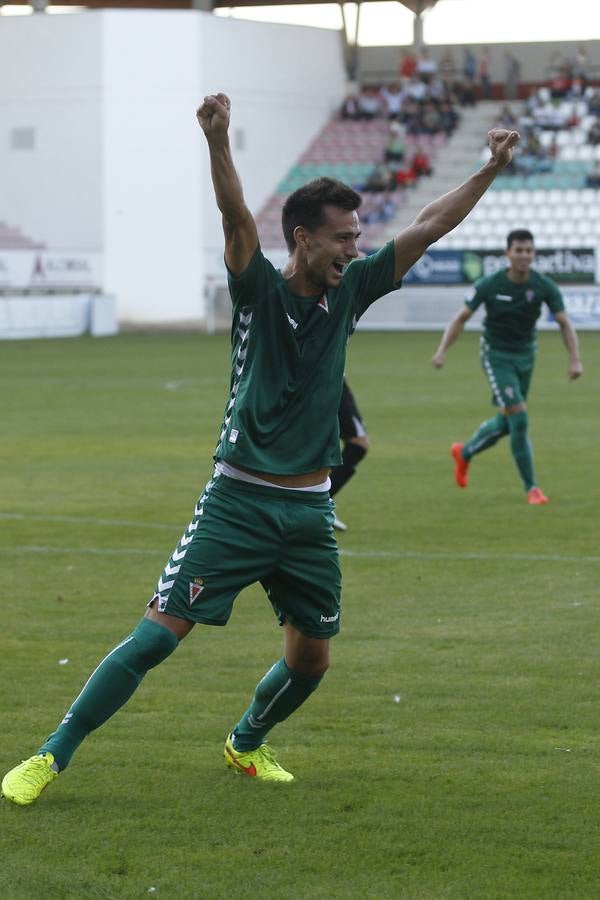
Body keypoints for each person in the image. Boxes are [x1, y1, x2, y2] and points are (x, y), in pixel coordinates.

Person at [1, 93, 519, 804]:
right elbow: (236, 218)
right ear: (303, 238)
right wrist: (217, 138)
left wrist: (490, 169)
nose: (354, 249)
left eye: (357, 236)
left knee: (311, 661)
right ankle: (50, 756)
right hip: (238, 500)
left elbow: (430, 223)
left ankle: (245, 742)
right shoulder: (256, 293)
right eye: (342, 237)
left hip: (307, 512)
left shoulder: (354, 291)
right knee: (155, 637)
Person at [432, 229, 582, 504]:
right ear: (508, 253)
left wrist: (575, 359)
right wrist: (442, 350)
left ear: (533, 254)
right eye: (519, 250)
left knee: (506, 423)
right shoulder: (490, 284)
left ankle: (464, 453)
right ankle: (531, 488)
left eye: (528, 250)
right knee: (520, 417)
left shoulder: (543, 285)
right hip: (496, 355)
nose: (524, 255)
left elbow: (564, 323)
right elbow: (461, 318)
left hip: (526, 355)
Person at [329, 379, 369, 532]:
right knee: (358, 445)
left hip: (330, 377)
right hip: (323, 377)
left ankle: (319, 502)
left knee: (358, 445)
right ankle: (318, 503)